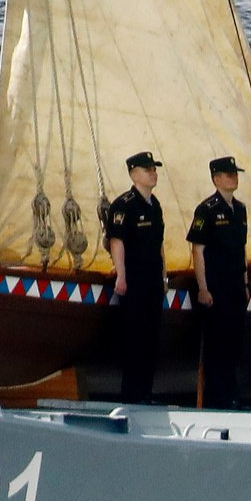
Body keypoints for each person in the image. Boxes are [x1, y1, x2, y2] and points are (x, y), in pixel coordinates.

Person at [188, 155, 251, 409]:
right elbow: (198, 250)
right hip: (216, 285)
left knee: (235, 342)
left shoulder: (240, 209)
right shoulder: (207, 210)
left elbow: (242, 249)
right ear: (216, 179)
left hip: (236, 283)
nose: (234, 177)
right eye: (228, 174)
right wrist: (203, 287)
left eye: (235, 173)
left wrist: (246, 283)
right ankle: (218, 398)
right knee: (218, 344)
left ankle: (231, 395)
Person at [106, 151, 167, 404]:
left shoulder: (154, 205)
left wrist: (164, 276)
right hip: (134, 281)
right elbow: (116, 241)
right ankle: (131, 394)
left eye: (154, 168)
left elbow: (159, 243)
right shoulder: (124, 205)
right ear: (133, 174)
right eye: (147, 169)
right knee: (134, 338)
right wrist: (121, 275)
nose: (153, 172)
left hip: (152, 280)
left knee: (151, 338)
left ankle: (146, 391)